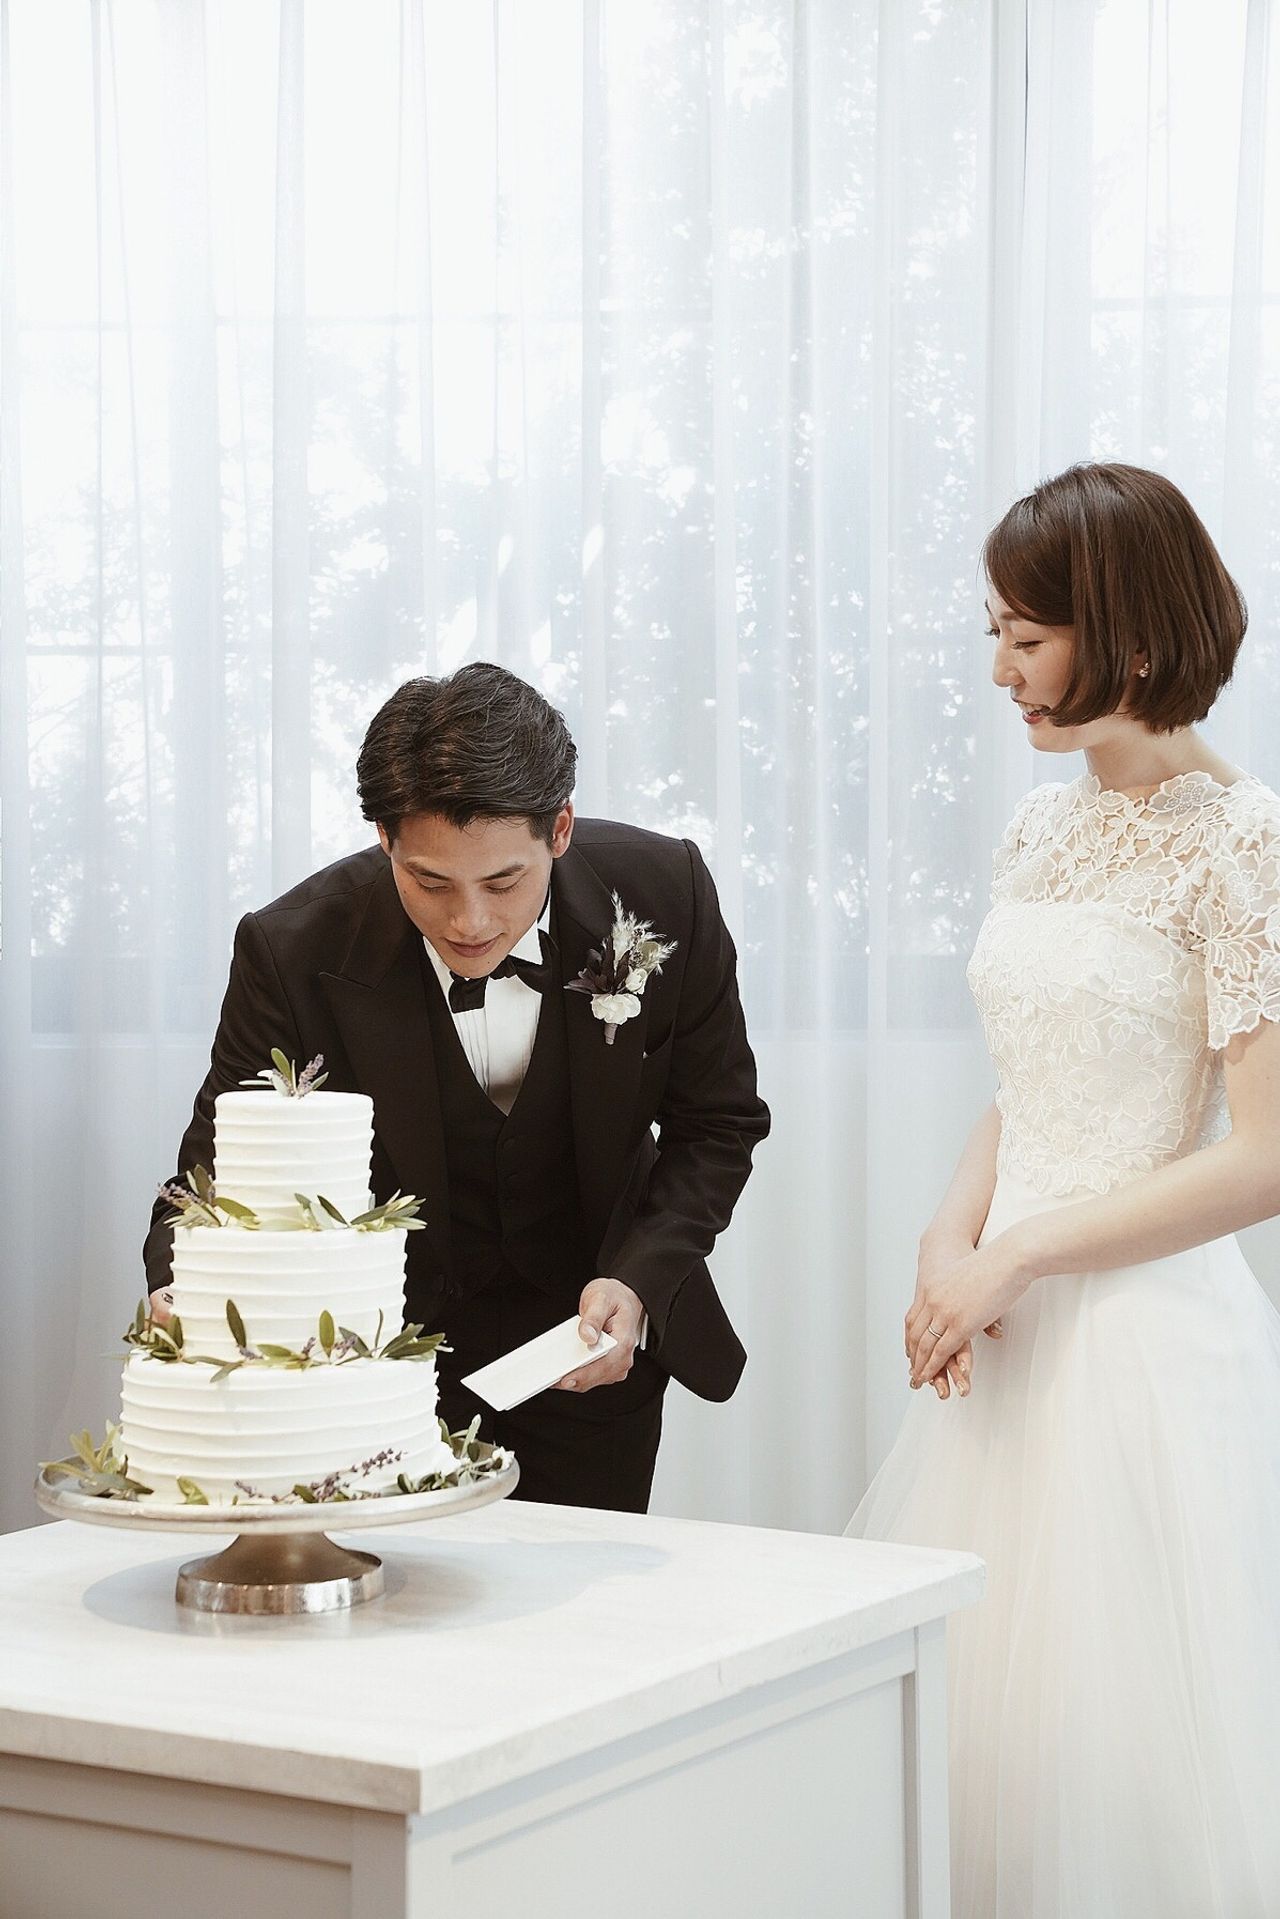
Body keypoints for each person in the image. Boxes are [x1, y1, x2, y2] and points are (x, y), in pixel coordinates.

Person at [847, 463, 1280, 1917]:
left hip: (1140, 1348)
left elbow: (1262, 1157)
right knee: (982, 1745)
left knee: (1125, 1763)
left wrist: (1018, 1253)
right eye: (996, 632)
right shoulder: (1041, 830)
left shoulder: (1246, 840)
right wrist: (947, 1235)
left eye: (1027, 637)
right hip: (1008, 1331)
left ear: (1133, 634)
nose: (999, 670)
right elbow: (1030, 1076)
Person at [145, 663, 769, 1513]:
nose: (468, 921)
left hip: (591, 1357)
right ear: (384, 839)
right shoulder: (292, 949)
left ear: (560, 828)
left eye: (502, 882)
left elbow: (718, 1122)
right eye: (430, 882)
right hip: (379, 1375)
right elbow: (216, 1170)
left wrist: (638, 1280)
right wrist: (179, 1288)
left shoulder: (666, 893)